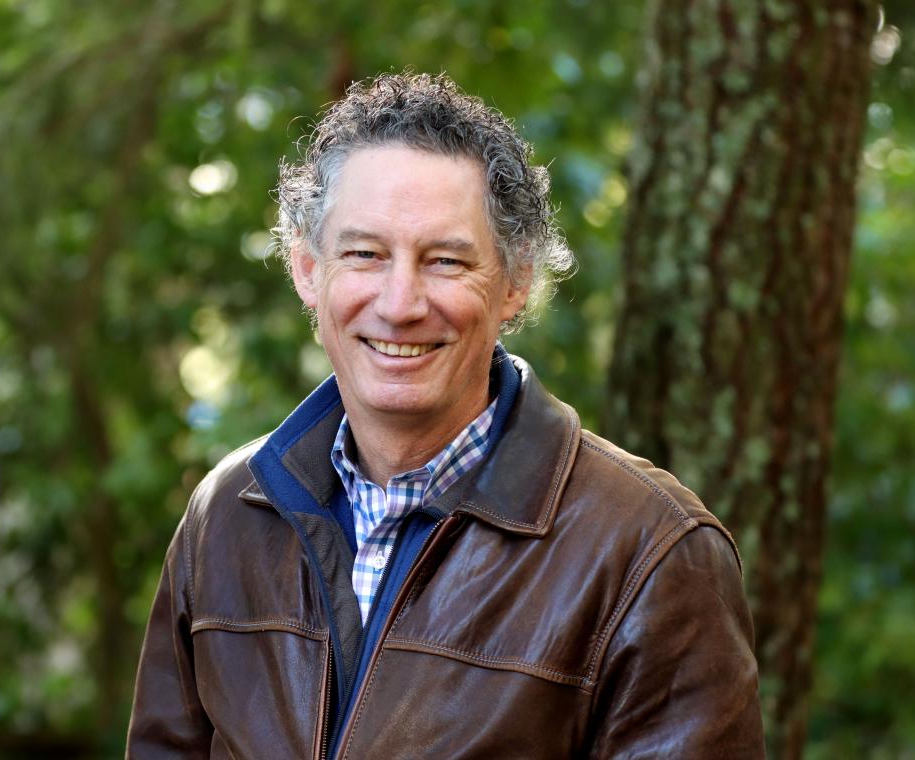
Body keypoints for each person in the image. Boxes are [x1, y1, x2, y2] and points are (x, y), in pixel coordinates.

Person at [127, 72, 764, 759]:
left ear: (515, 282)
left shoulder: (651, 551)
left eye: (445, 261)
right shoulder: (225, 515)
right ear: (309, 270)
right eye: (365, 254)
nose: (400, 302)